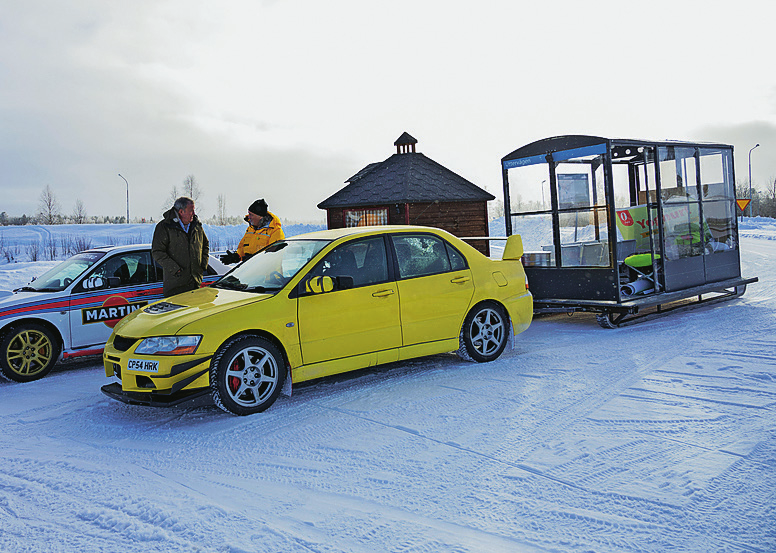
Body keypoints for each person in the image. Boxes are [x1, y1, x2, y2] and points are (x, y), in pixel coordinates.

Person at [152, 196, 210, 297]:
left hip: (195, 283)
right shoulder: (165, 226)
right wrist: (175, 269)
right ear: (181, 212)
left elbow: (205, 245)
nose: (194, 214)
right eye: (191, 211)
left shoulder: (197, 226)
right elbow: (157, 252)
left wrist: (202, 264)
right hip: (175, 286)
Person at [220, 198, 284, 264]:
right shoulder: (250, 229)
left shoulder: (275, 231)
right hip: (251, 271)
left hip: (268, 273)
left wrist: (252, 259)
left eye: (251, 215)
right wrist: (236, 256)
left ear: (260, 217)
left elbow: (275, 256)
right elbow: (243, 248)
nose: (249, 217)